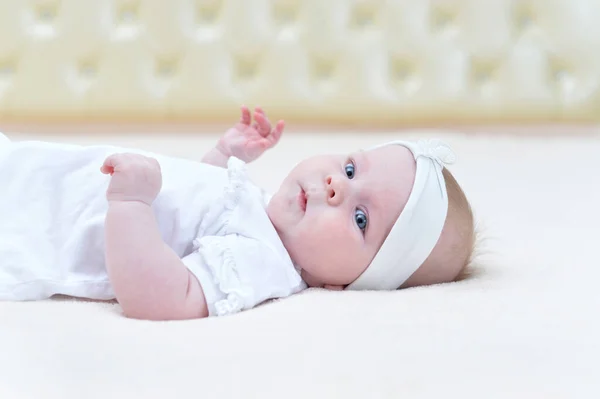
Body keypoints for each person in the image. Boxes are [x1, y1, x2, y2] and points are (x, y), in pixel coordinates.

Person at [0, 106, 475, 320]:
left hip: (44, 230)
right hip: (50, 181)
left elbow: (164, 297)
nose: (336, 187)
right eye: (351, 169)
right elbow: (193, 216)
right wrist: (221, 157)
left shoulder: (263, 263)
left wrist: (130, 204)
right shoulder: (261, 215)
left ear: (346, 283)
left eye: (360, 219)